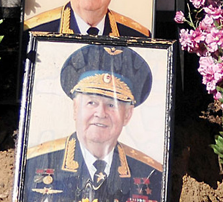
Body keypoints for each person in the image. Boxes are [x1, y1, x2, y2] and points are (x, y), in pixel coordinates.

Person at [22, 45, 163, 202]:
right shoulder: (33, 164)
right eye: (92, 103)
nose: (101, 113)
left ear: (127, 115)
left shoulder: (151, 174)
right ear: (76, 108)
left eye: (112, 105)